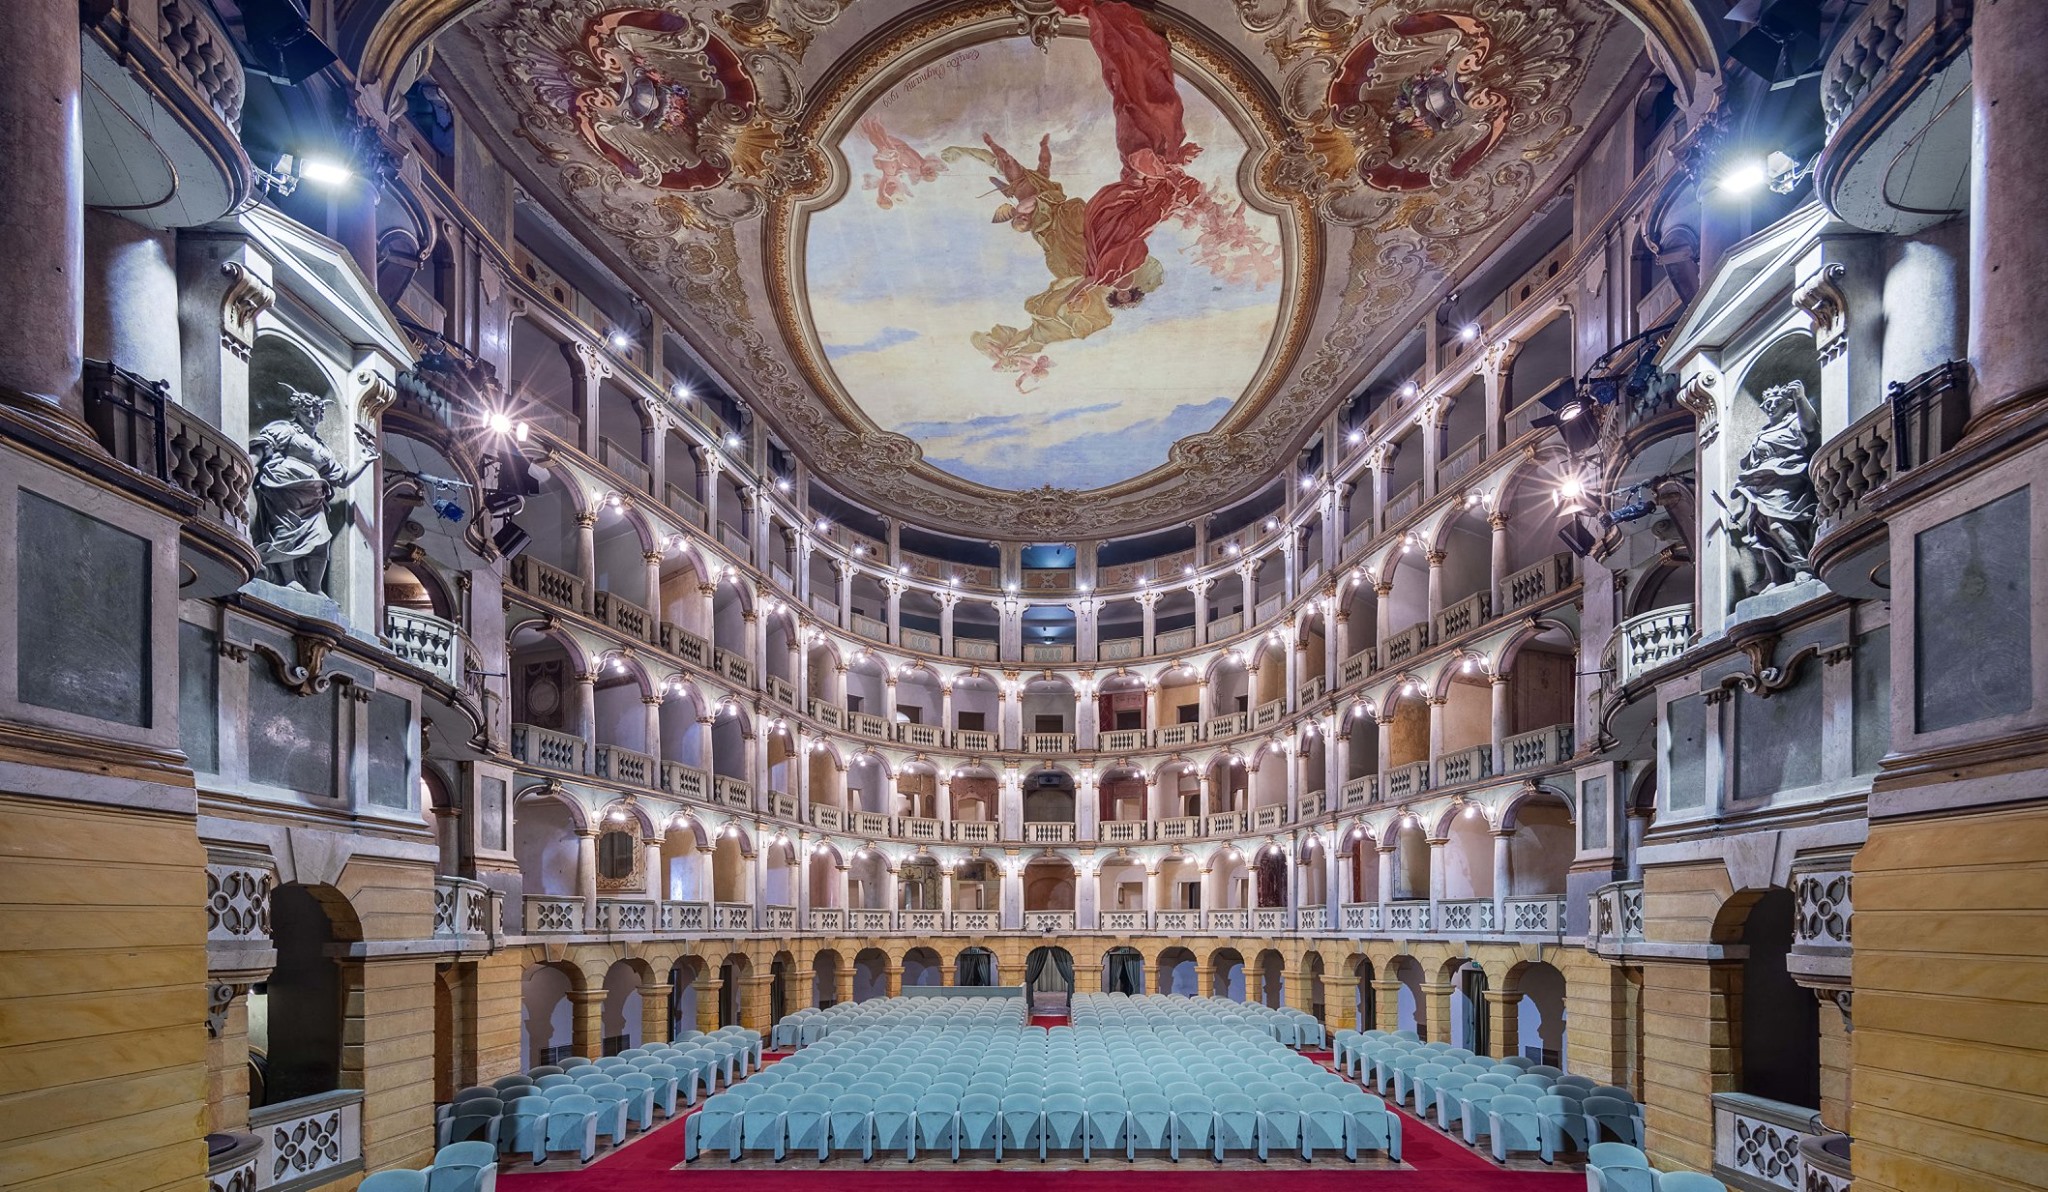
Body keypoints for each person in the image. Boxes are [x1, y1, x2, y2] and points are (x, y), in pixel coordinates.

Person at [249, 385, 379, 595]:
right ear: (296, 411)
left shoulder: (323, 448)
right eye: (306, 411)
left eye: (316, 412)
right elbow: (263, 447)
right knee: (285, 532)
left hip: (313, 496)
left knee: (322, 538)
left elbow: (343, 479)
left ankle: (314, 587)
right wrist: (248, 465)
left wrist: (364, 461)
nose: (311, 416)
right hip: (284, 487)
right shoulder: (286, 429)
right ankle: (289, 580)